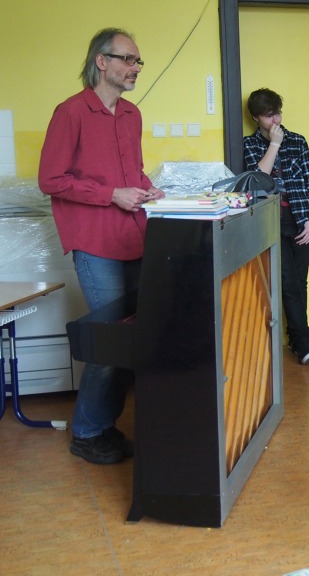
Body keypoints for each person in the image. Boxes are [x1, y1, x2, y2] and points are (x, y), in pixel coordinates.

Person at [38, 27, 165, 464]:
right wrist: (112, 195)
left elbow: (134, 171)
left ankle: (105, 426)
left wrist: (148, 188)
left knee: (128, 339)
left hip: (136, 238)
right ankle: (88, 432)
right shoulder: (70, 112)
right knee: (109, 341)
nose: (135, 68)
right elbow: (50, 180)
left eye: (138, 61)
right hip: (95, 244)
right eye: (128, 59)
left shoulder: (132, 114)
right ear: (101, 61)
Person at [243, 88, 309, 365]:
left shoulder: (298, 141)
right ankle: (304, 340)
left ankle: (297, 338)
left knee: (300, 282)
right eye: (268, 115)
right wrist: (274, 145)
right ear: (256, 118)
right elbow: (257, 179)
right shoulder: (249, 144)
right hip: (271, 221)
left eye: (277, 113)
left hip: (301, 218)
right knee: (288, 283)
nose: (275, 120)